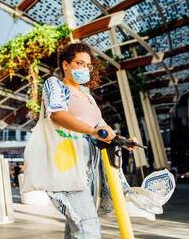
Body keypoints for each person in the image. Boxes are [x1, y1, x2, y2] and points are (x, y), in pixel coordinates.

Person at [42, 42, 138, 238]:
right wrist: (94, 132)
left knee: (77, 226)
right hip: (68, 166)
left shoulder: (88, 98)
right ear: (65, 65)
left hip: (90, 171)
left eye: (87, 65)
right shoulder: (55, 84)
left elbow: (101, 128)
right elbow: (57, 114)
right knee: (87, 228)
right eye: (79, 63)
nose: (84, 68)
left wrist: (123, 141)